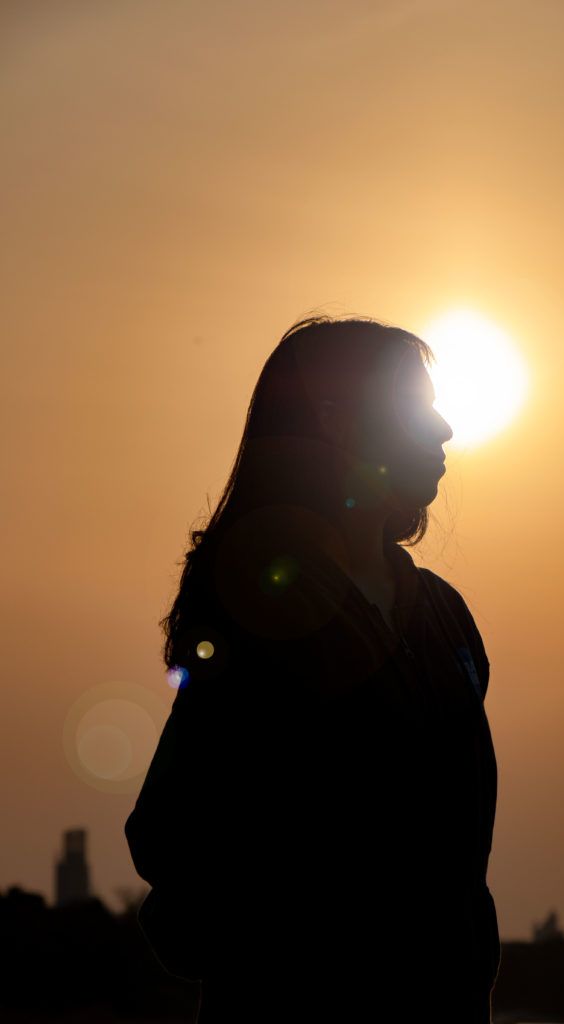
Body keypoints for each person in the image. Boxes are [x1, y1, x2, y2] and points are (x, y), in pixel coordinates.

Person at [124, 315, 501, 1022]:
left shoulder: (443, 614)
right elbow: (169, 831)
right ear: (335, 420)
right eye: (414, 406)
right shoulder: (264, 599)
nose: (445, 428)